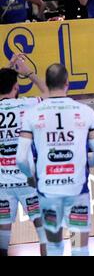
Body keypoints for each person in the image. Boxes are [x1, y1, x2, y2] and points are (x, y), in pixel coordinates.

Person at [16, 63, 94, 256]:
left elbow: (21, 159)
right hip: (77, 192)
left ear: (47, 84)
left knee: (54, 247)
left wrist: (31, 175)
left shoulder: (32, 114)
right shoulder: (85, 112)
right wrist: (80, 164)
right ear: (67, 83)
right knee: (79, 247)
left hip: (48, 193)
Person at [0, 54, 48, 256]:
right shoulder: (26, 106)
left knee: (3, 233)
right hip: (28, 183)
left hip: (2, 185)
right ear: (17, 87)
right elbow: (49, 93)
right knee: (43, 230)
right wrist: (28, 73)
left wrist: (6, 69)